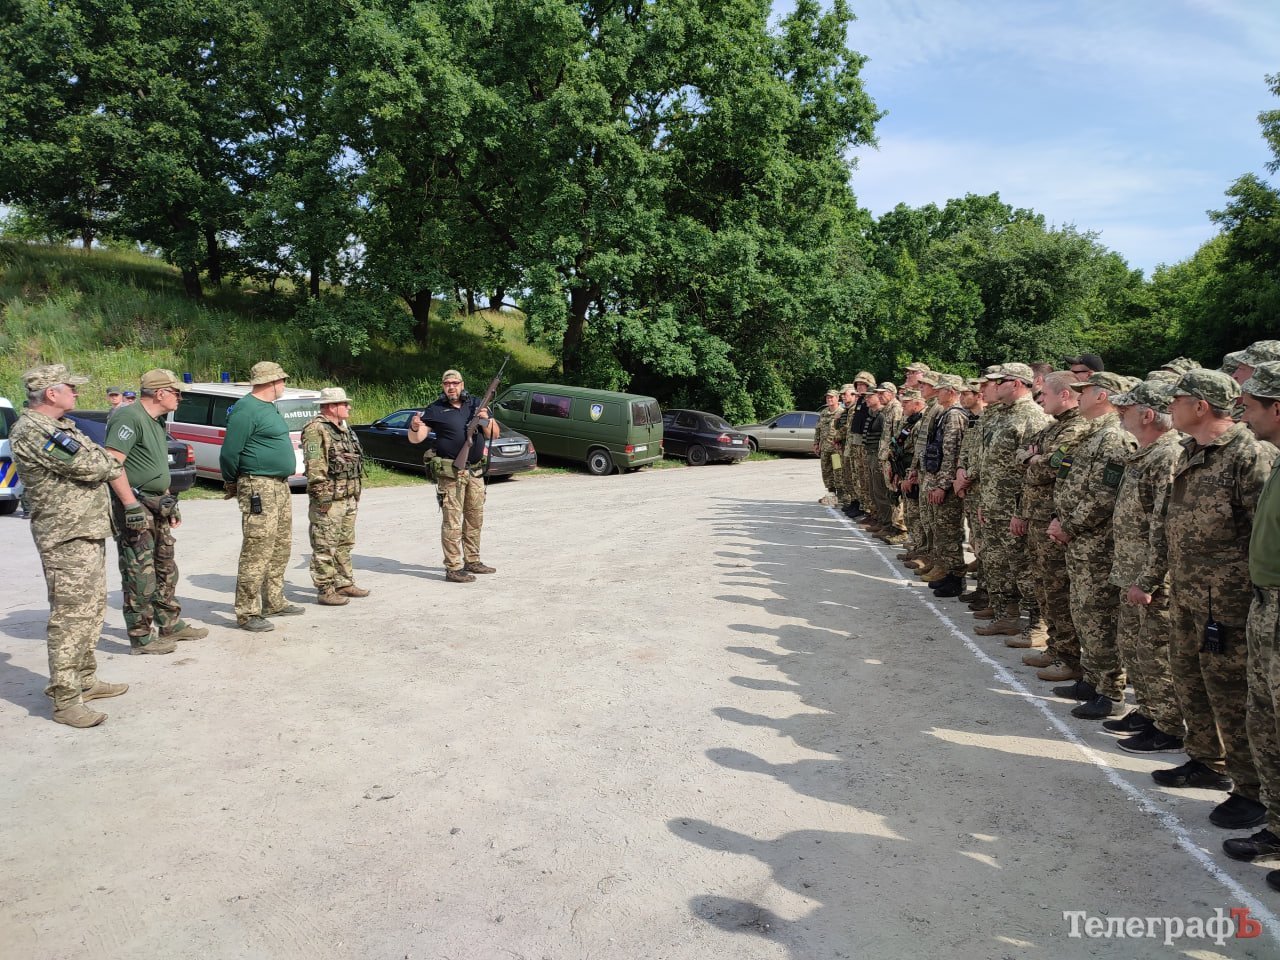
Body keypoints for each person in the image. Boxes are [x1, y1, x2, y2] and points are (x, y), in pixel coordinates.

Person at [1151, 369, 1275, 830]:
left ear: (1200, 405)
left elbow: (1261, 532)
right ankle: (1206, 758)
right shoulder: (1189, 451)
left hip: (1229, 601)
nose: (1170, 408)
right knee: (1190, 678)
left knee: (1232, 693)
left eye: (1177, 400)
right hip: (1187, 592)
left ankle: (1252, 790)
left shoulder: (1249, 454)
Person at [9, 364, 133, 728]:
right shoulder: (33, 430)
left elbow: (100, 461)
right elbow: (92, 465)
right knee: (70, 616)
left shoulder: (62, 426)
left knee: (92, 608)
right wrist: (107, 462)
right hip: (65, 535)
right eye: (70, 388)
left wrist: (105, 462)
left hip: (85, 530)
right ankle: (65, 698)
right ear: (51, 393)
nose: (76, 394)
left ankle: (85, 679)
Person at [1047, 372, 1138, 718]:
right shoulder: (1093, 433)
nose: (1078, 396)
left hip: (1097, 544)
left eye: (1084, 392)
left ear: (1102, 396)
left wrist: (1068, 524)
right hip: (1080, 541)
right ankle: (1093, 677)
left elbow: (1104, 494)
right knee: (1084, 612)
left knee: (1099, 615)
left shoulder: (1113, 438)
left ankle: (1110, 692)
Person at [103, 369, 209, 654]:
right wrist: (130, 504)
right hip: (137, 505)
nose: (180, 398)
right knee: (140, 571)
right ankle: (141, 635)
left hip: (156, 504)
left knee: (165, 565)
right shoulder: (130, 416)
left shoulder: (155, 421)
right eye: (176, 392)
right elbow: (113, 463)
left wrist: (169, 500)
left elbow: (154, 466)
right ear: (160, 393)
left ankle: (169, 622)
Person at [1223, 361, 1280, 883]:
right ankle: (1277, 825)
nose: (1243, 411)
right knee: (1264, 717)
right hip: (1266, 603)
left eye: (1253, 405)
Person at [1111, 380, 1185, 753]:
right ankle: (1150, 711)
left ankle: (1168, 726)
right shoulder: (1147, 452)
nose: (1120, 413)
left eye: (1127, 408)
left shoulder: (1167, 456)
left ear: (1149, 414)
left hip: (1152, 577)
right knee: (1135, 647)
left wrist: (1149, 578)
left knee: (1156, 653)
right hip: (1133, 568)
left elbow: (1163, 524)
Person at [1014, 371, 1092, 661]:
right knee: (1044, 586)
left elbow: (1052, 467)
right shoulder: (1052, 427)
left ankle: (1067, 654)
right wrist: (1032, 457)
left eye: (1045, 394)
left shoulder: (1078, 427)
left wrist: (1035, 460)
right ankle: (1055, 647)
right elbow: (1022, 454)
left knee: (1058, 590)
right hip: (1037, 517)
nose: (1040, 399)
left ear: (1064, 395)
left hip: (1054, 518)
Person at [220, 361, 303, 632]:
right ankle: (247, 611)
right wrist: (234, 482)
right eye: (282, 380)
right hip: (258, 484)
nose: (284, 384)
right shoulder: (246, 410)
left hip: (279, 484)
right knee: (257, 548)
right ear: (272, 382)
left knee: (280, 544)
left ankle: (274, 600)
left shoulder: (268, 407)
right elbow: (230, 453)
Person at [974, 364, 1050, 638]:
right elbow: (989, 464)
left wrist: (1022, 511)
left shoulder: (1034, 418)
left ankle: (1037, 624)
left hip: (1015, 507)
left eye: (1000, 381)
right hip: (994, 504)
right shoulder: (1002, 415)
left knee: (1024, 568)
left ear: (1017, 383)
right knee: (998, 563)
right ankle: (1007, 615)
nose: (994, 386)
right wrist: (984, 502)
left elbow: (1034, 473)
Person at [408, 368, 500, 583]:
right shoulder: (435, 409)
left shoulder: (476, 405)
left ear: (462, 384)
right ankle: (453, 567)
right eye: (447, 383)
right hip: (451, 474)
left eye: (455, 383)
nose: (452, 387)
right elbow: (417, 438)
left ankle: (473, 560)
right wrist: (413, 427)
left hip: (475, 472)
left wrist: (486, 419)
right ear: (443, 386)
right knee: (452, 522)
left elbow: (494, 434)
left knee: (474, 518)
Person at [302, 387, 369, 606]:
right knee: (325, 544)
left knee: (344, 543)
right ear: (332, 407)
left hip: (348, 496)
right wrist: (322, 499)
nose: (348, 407)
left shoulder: (343, 428)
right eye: (344, 404)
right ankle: (325, 588)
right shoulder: (316, 429)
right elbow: (315, 466)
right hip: (329, 501)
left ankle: (344, 582)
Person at [920, 374, 969, 597]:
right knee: (941, 530)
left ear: (951, 391)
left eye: (940, 390)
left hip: (946, 486)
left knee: (949, 532)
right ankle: (948, 572)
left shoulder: (955, 416)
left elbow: (951, 454)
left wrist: (942, 485)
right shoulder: (945, 414)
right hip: (938, 479)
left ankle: (956, 577)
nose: (936, 393)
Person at [815, 389, 842, 506]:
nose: (829, 399)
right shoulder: (824, 412)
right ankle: (831, 495)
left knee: (837, 471)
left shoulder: (841, 412)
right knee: (826, 472)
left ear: (837, 398)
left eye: (831, 397)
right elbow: (818, 429)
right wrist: (816, 443)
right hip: (825, 448)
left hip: (835, 450)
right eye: (827, 397)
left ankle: (841, 496)